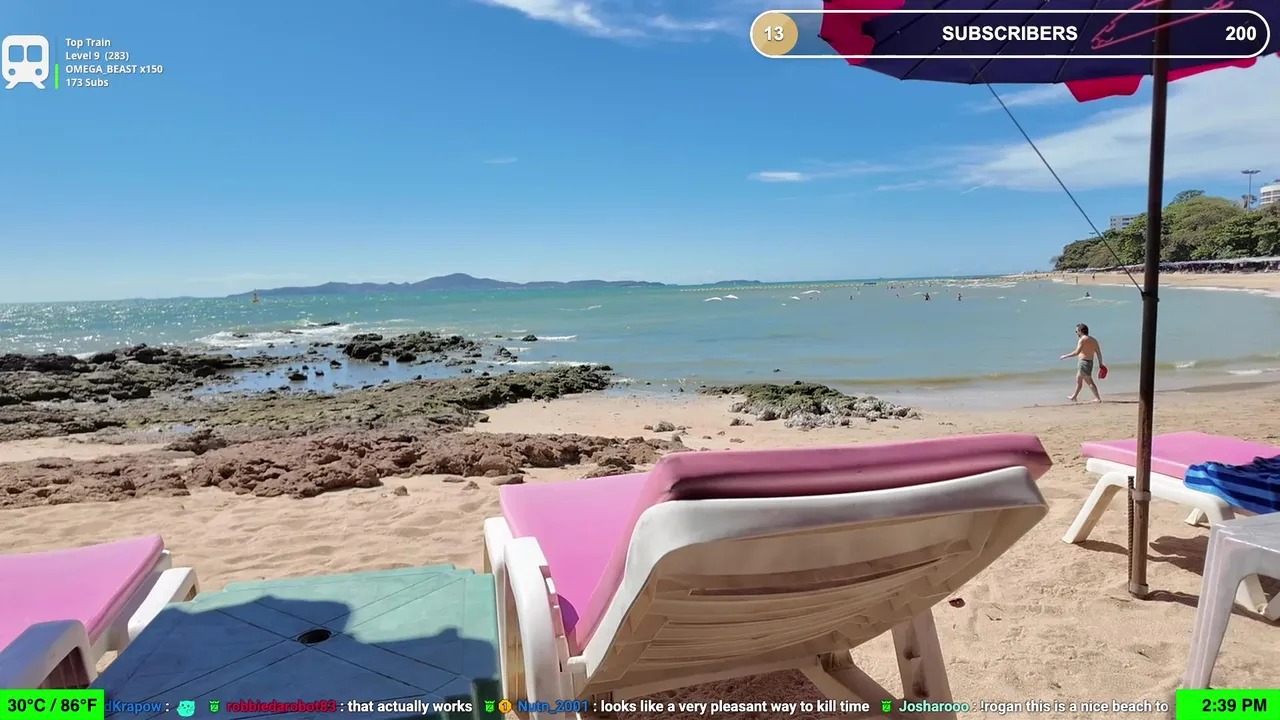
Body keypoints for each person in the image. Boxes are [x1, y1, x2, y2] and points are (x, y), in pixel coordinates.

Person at [1061, 323, 1103, 402]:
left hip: (1084, 363)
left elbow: (1076, 352)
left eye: (1076, 331)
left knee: (1089, 382)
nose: (1076, 333)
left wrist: (1065, 356)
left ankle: (1098, 398)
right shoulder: (1093, 340)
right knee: (1079, 380)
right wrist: (1100, 363)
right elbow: (1098, 353)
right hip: (1089, 362)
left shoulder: (1082, 340)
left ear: (1080, 331)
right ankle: (1074, 397)